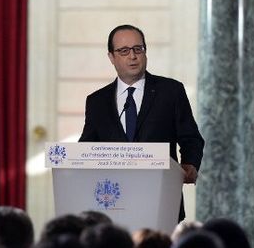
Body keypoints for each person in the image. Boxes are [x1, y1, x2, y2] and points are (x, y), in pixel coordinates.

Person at [79, 24, 205, 220]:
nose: (133, 56)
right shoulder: (97, 101)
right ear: (111, 57)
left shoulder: (171, 91)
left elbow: (192, 138)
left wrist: (190, 164)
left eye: (138, 49)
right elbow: (86, 148)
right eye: (124, 51)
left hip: (161, 200)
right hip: (113, 203)